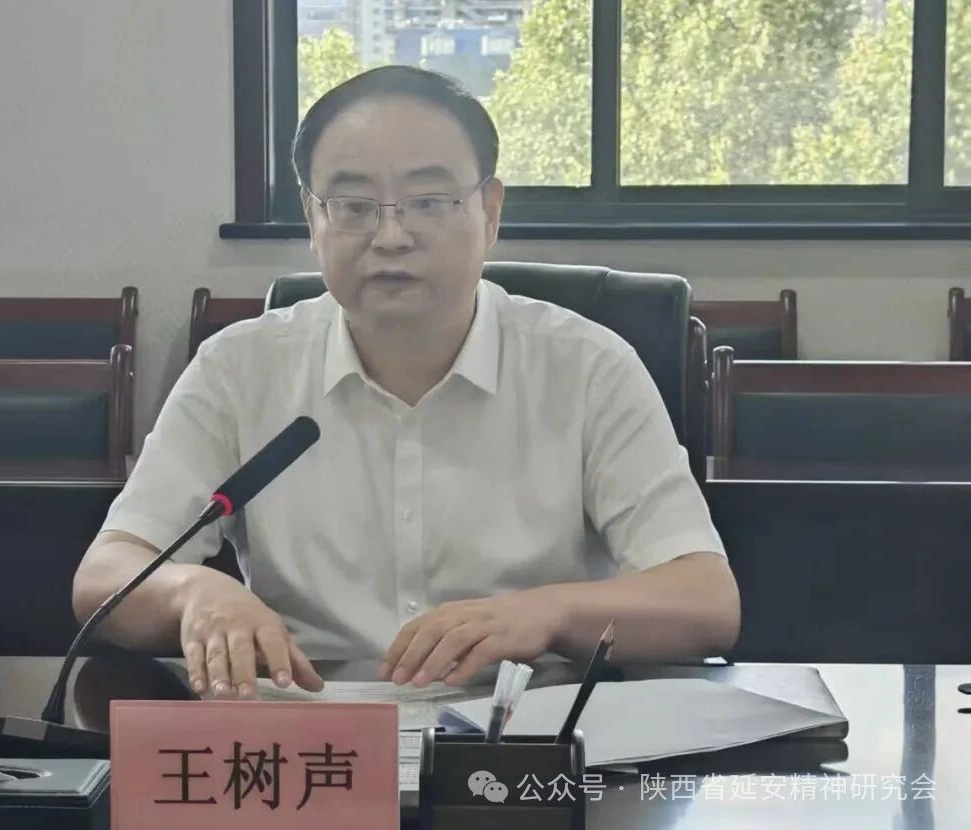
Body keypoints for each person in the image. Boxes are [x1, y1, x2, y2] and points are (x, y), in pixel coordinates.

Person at [72, 65, 739, 701]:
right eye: (354, 205)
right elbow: (104, 576)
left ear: (491, 212)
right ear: (312, 221)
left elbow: (706, 600)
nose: (391, 236)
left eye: (429, 202)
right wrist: (193, 593)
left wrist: (547, 613)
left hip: (521, 735)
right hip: (305, 734)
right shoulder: (239, 369)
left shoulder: (589, 368)